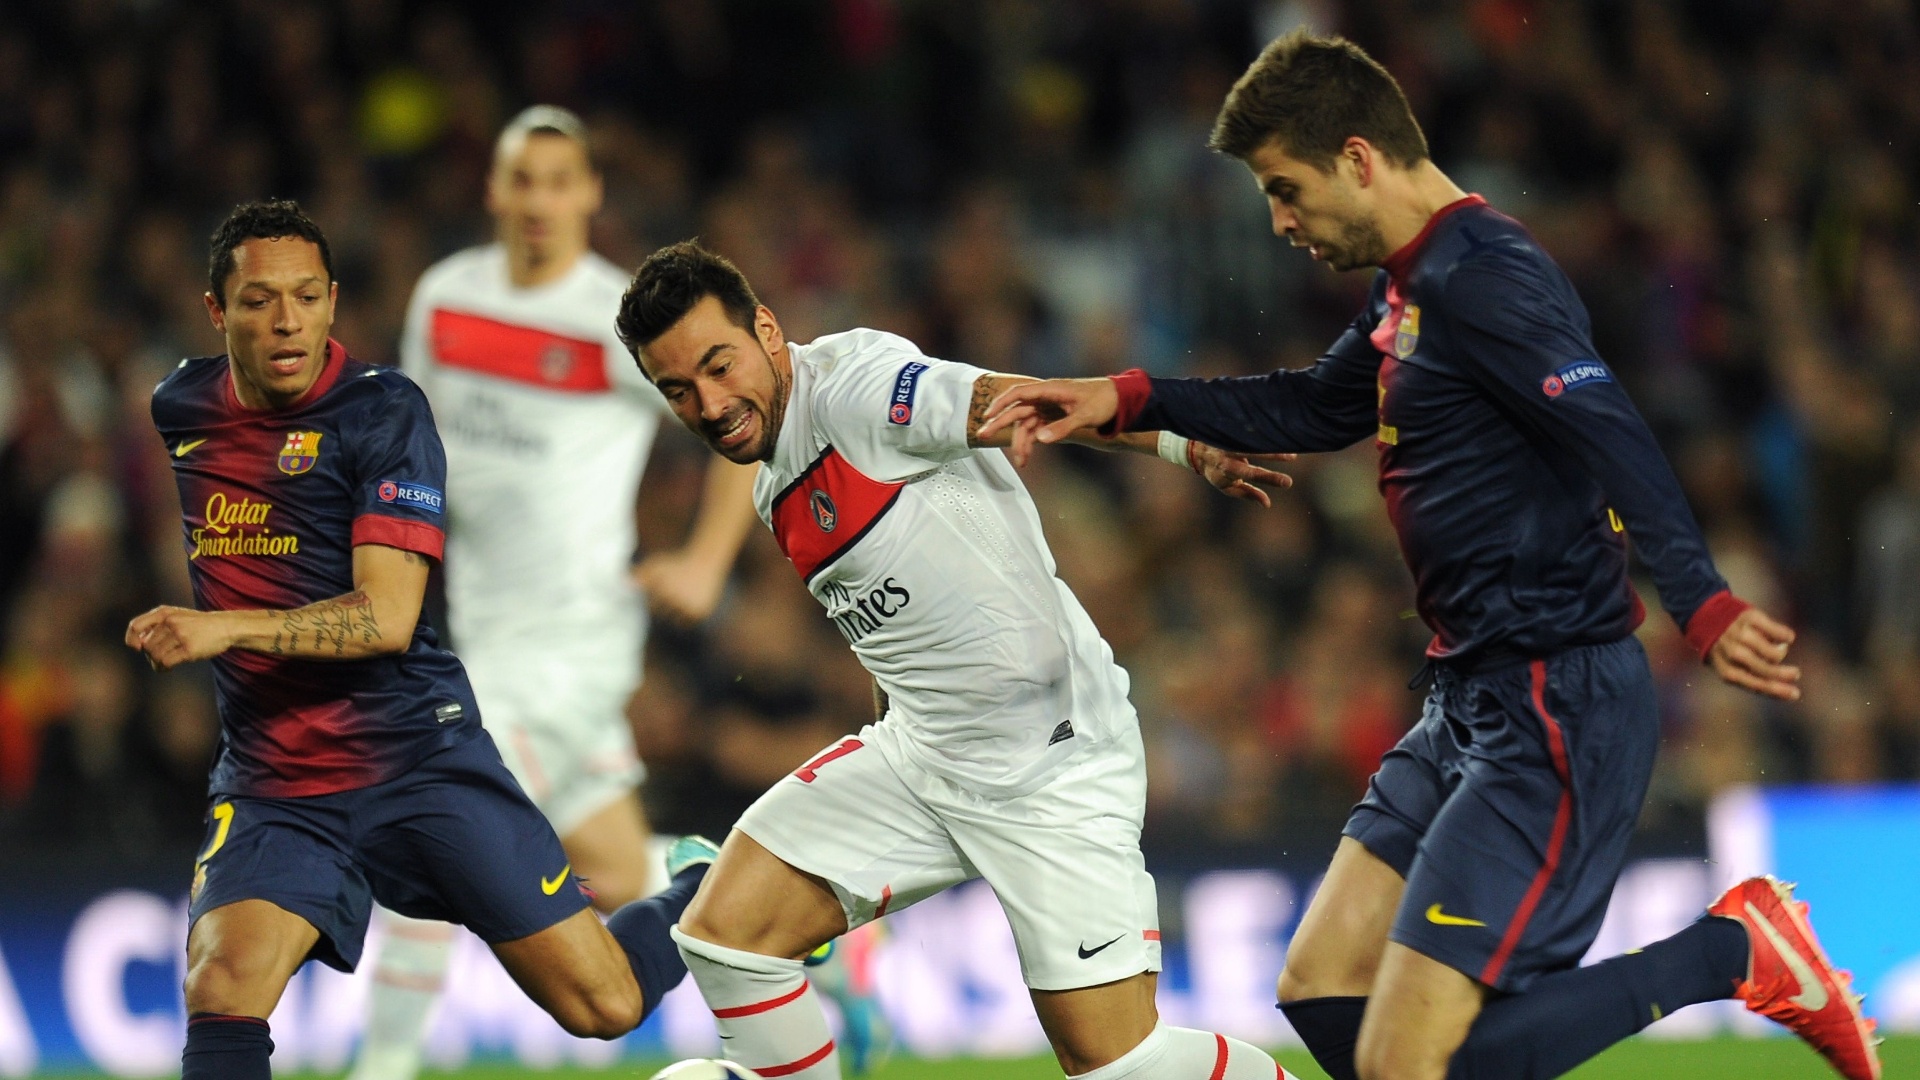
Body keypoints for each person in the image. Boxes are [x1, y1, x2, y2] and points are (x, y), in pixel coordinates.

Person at [977, 31, 1881, 1080]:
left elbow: (1612, 429)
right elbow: (1317, 406)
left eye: (1286, 189)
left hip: (1555, 703)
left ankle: (1734, 949)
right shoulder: (1413, 287)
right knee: (1318, 987)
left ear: (1358, 158)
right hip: (1468, 697)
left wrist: (1703, 601)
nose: (1278, 223)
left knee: (1409, 1068)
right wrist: (1127, 400)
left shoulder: (1487, 279)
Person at [614, 240, 1298, 1080]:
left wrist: (1178, 447)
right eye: (677, 390)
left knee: (1117, 1063)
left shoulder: (859, 389)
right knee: (723, 940)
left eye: (719, 366)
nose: (711, 404)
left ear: (766, 328)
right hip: (923, 755)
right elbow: (899, 626)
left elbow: (1024, 403)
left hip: (1050, 764)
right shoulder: (770, 480)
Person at [127, 199, 709, 1080]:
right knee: (222, 978)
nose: (287, 321)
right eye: (258, 300)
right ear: (217, 311)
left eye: (306, 296)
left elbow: (386, 617)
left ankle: (704, 890)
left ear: (332, 302)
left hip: (417, 760)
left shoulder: (385, 415)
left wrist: (227, 628)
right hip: (277, 781)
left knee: (607, 1005)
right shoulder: (183, 407)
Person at [350, 105, 760, 1080]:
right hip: (475, 636)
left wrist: (704, 562)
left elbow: (740, 411)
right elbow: (415, 447)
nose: (539, 200)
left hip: (574, 647)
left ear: (590, 194)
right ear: (493, 191)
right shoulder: (446, 296)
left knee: (435, 819)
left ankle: (381, 1068)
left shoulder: (616, 320)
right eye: (521, 180)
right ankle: (774, 904)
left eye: (558, 180)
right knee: (620, 873)